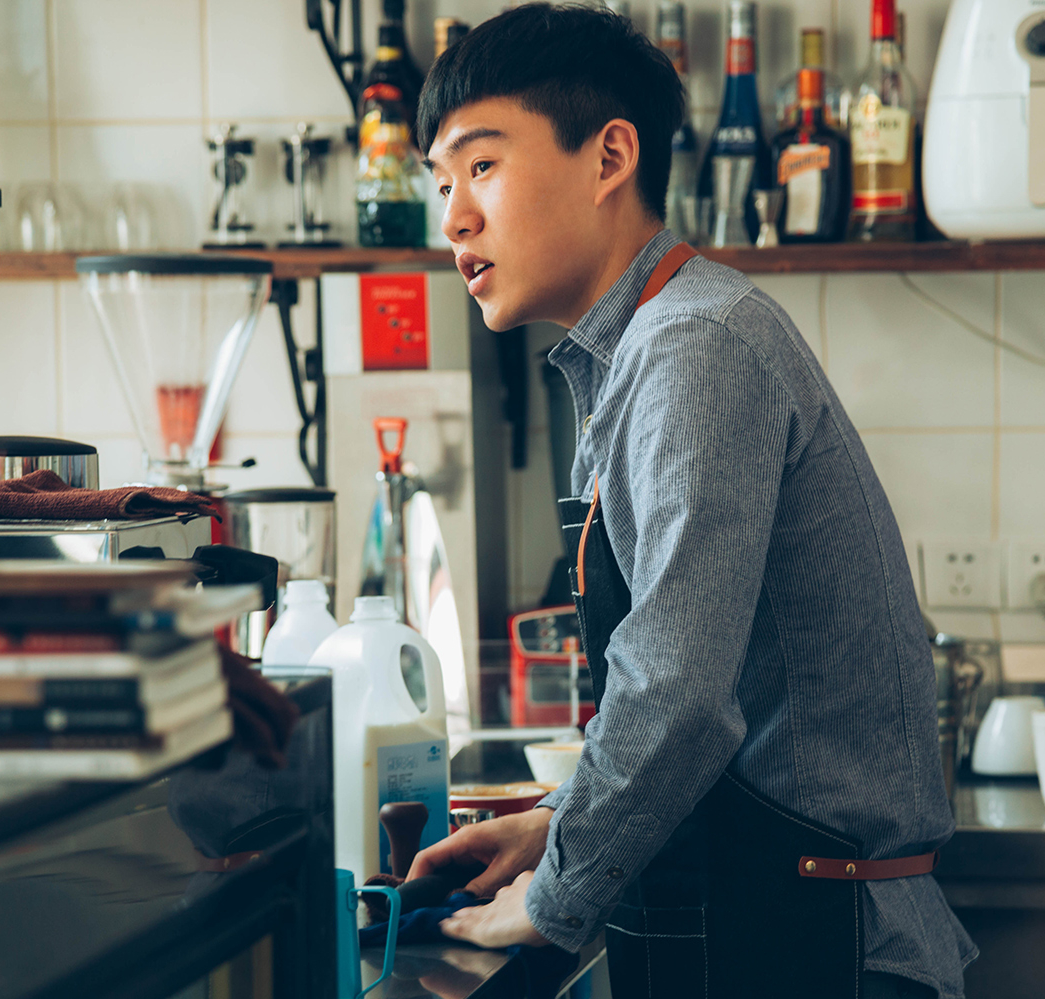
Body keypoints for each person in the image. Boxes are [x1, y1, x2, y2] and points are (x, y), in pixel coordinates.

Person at [406, 5, 976, 998]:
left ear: (609, 155)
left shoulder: (694, 349)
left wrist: (551, 898)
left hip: (820, 951)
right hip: (769, 926)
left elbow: (677, 693)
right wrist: (559, 822)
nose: (454, 216)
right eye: (442, 182)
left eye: (483, 167)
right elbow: (688, 681)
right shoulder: (648, 351)